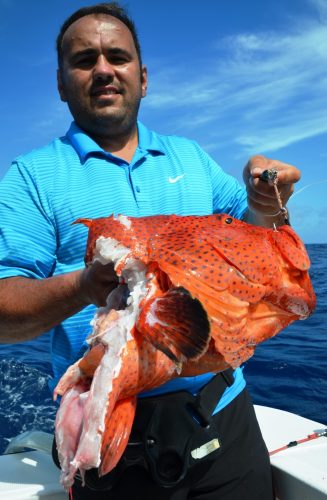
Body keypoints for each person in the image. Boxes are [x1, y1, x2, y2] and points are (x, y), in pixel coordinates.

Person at [0, 2, 300, 499]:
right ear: (60, 83)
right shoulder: (31, 178)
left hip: (224, 422)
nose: (102, 70)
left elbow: (252, 233)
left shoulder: (192, 159)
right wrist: (85, 285)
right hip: (111, 440)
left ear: (143, 77)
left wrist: (266, 200)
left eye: (117, 57)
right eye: (84, 60)